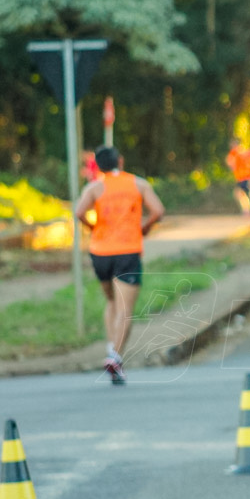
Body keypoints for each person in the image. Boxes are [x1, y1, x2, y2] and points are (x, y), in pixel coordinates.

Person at [74, 146, 165, 385]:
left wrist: (94, 228)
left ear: (99, 166)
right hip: (127, 251)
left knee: (112, 301)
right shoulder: (139, 184)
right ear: (121, 161)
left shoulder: (94, 187)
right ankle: (115, 356)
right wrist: (144, 228)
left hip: (100, 252)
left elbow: (79, 212)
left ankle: (111, 348)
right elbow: (158, 211)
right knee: (124, 307)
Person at [226, 138, 250, 216]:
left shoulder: (237, 153)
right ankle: (248, 211)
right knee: (241, 194)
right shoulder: (244, 152)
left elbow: (231, 164)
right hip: (243, 177)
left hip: (245, 177)